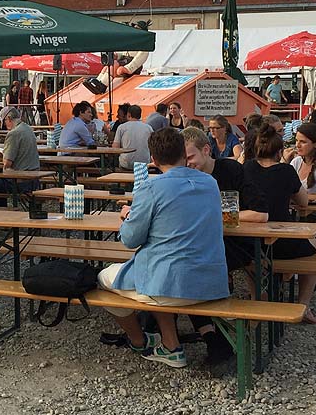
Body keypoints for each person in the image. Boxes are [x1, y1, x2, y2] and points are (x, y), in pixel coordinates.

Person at [98, 128, 228, 368]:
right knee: (157, 274)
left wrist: (128, 216)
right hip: (211, 283)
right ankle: (170, 345)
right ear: (183, 153)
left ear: (153, 160)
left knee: (104, 281)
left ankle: (138, 340)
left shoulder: (151, 188)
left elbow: (129, 240)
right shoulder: (210, 183)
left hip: (168, 284)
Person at [182, 126, 269, 365]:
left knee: (190, 271)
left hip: (235, 244)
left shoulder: (231, 170)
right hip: (202, 245)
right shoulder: (184, 176)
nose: (187, 164)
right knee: (181, 268)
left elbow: (260, 214)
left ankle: (217, 337)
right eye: (183, 159)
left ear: (206, 150)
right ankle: (211, 336)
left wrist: (216, 216)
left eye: (190, 157)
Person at [244, 124, 316, 324]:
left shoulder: (247, 168)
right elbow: (303, 202)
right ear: (279, 152)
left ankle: (257, 297)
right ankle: (303, 304)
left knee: (249, 256)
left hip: (250, 243)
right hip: (282, 241)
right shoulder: (286, 171)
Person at [112, 105, 152, 170]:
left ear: (128, 114)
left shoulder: (122, 127)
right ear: (140, 115)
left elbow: (115, 148)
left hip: (126, 164)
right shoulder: (148, 128)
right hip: (144, 164)